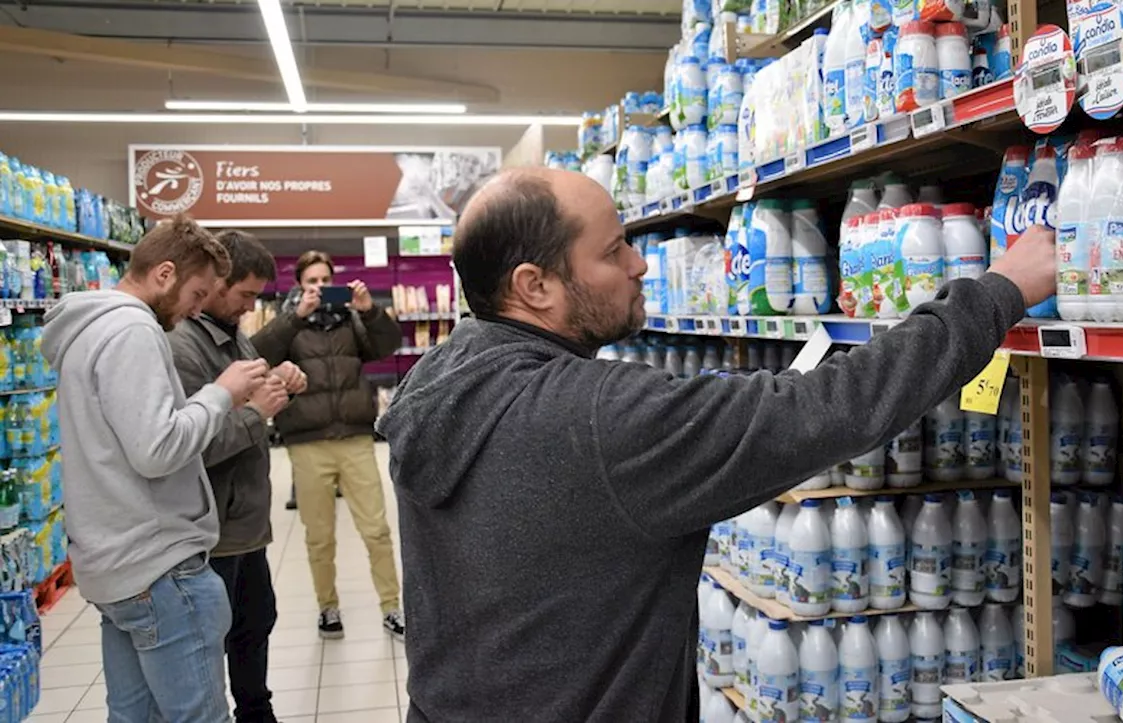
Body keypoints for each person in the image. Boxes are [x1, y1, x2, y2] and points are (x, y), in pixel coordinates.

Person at [376, 168, 1057, 721]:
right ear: (536, 285)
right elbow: (829, 407)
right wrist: (996, 293)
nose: (641, 263)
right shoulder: (594, 421)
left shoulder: (436, 381)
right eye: (614, 250)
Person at [42, 216, 269, 722]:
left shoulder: (88, 329)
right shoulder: (132, 330)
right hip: (159, 568)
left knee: (132, 716)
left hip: (113, 563)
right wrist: (221, 394)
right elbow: (157, 449)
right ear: (165, 274)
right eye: (197, 292)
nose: (196, 307)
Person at [168, 230, 308, 723]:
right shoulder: (182, 346)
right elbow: (188, 446)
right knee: (212, 639)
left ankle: (256, 711)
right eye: (245, 294)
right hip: (213, 533)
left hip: (246, 524)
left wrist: (278, 380)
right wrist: (257, 414)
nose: (251, 306)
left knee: (255, 624)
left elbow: (244, 397)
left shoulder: (232, 332)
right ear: (216, 283)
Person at [251, 250, 406, 641]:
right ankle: (327, 606)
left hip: (355, 438)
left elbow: (387, 344)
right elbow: (256, 352)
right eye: (311, 282)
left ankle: (392, 607)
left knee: (376, 529)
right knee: (319, 534)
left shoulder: (351, 320)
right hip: (308, 442)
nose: (319, 289)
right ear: (299, 287)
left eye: (325, 281)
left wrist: (370, 310)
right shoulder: (289, 323)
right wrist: (295, 317)